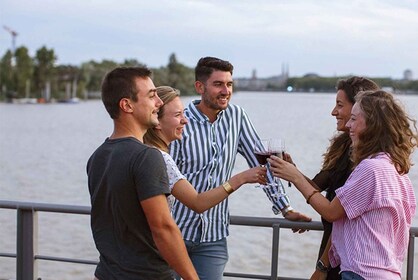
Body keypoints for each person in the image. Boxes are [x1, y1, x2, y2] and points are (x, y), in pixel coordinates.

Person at [169, 56, 311, 280]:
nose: (226, 91)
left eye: (229, 84)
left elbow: (261, 164)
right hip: (175, 234)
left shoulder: (237, 116)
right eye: (218, 84)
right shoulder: (179, 121)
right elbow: (165, 180)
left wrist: (285, 208)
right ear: (199, 87)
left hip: (213, 239)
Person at [270, 90, 418, 280]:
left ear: (372, 125)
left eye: (354, 119)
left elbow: (332, 212)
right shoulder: (397, 170)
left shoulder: (371, 168)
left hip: (362, 273)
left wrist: (297, 178)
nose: (348, 124)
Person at [86, 67, 198, 280]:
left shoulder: (97, 157)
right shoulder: (147, 157)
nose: (158, 103)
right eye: (151, 95)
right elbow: (163, 227)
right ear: (127, 105)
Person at [143, 86, 268, 213]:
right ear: (156, 121)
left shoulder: (144, 152)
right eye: (177, 115)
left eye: (183, 113)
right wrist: (241, 178)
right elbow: (198, 203)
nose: (185, 120)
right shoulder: (161, 159)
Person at [309, 77, 380, 280]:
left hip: (343, 259)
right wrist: (287, 169)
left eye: (340, 105)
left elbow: (340, 215)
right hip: (336, 254)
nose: (334, 112)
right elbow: (315, 187)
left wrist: (322, 266)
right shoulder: (344, 146)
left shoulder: (366, 159)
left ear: (361, 108)